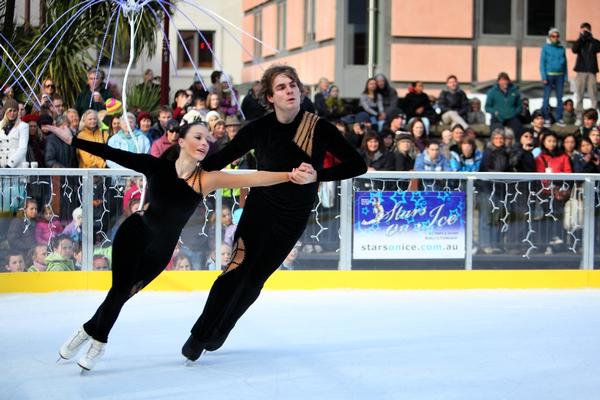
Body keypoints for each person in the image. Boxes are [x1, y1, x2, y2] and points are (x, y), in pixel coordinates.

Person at [43, 117, 317, 371]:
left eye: (207, 140)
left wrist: (289, 175)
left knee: (123, 294)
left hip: (161, 250)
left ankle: (88, 329)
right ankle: (99, 341)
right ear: (181, 141)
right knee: (119, 290)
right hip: (134, 234)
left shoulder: (205, 179)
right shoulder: (156, 166)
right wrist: (72, 140)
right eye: (197, 137)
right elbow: (113, 154)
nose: (203, 143)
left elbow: (253, 177)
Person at [182, 64, 367, 362]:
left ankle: (220, 330)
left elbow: (357, 165)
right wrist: (187, 167)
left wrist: (317, 174)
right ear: (270, 97)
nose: (289, 90)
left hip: (292, 218)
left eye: (292, 84)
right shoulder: (258, 128)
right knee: (235, 271)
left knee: (255, 280)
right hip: (258, 211)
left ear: (300, 90)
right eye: (281, 87)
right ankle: (199, 334)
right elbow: (222, 158)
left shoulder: (318, 127)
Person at [535, 131, 573, 255]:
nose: (552, 143)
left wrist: (559, 188)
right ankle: (546, 243)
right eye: (549, 141)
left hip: (560, 192)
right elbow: (541, 176)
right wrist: (551, 188)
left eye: (554, 141)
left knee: (558, 214)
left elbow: (568, 173)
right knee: (547, 215)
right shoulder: (540, 158)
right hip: (545, 192)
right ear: (544, 142)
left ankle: (558, 241)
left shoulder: (563, 157)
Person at [572, 22, 600, 123]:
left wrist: (590, 37)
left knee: (593, 95)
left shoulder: (593, 42)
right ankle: (579, 117)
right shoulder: (580, 41)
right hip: (581, 71)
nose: (585, 32)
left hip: (591, 72)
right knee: (579, 95)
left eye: (586, 30)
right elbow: (574, 49)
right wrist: (581, 38)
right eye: (583, 30)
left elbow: (599, 47)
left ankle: (593, 116)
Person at [540, 28, 568, 126]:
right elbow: (542, 63)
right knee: (546, 98)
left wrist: (566, 77)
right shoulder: (545, 48)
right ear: (550, 37)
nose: (555, 38)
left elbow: (565, 64)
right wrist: (543, 76)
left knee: (560, 98)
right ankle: (546, 117)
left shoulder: (561, 48)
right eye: (553, 36)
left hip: (559, 76)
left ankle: (559, 118)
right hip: (549, 75)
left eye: (557, 36)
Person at [485, 72, 523, 138]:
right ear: (498, 81)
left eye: (506, 80)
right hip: (498, 118)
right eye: (502, 80)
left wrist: (515, 112)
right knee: (497, 132)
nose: (505, 82)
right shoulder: (492, 92)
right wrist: (495, 112)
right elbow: (487, 107)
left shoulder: (514, 91)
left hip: (512, 117)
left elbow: (519, 106)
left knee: (517, 128)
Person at [0, 98, 28, 167]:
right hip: (1, 167)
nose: (12, 113)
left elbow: (22, 149)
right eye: (10, 110)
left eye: (14, 111)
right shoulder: (0, 125)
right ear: (5, 111)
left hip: (17, 167)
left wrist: (10, 164)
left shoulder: (23, 126)